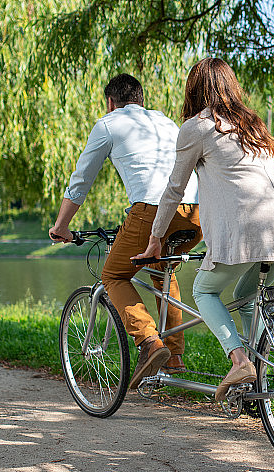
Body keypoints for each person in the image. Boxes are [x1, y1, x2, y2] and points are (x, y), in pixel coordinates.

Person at [132, 57, 274, 402]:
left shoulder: (197, 127)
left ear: (194, 89)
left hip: (247, 226)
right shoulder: (252, 124)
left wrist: (156, 236)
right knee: (247, 297)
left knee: (204, 291)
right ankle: (264, 378)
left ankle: (240, 359)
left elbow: (174, 189)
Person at [49, 74, 203, 389]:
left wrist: (61, 227)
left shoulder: (108, 124)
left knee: (114, 276)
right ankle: (173, 356)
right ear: (141, 98)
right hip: (196, 212)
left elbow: (81, 180)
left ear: (110, 102)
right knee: (162, 272)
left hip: (152, 211)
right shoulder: (164, 122)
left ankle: (149, 342)